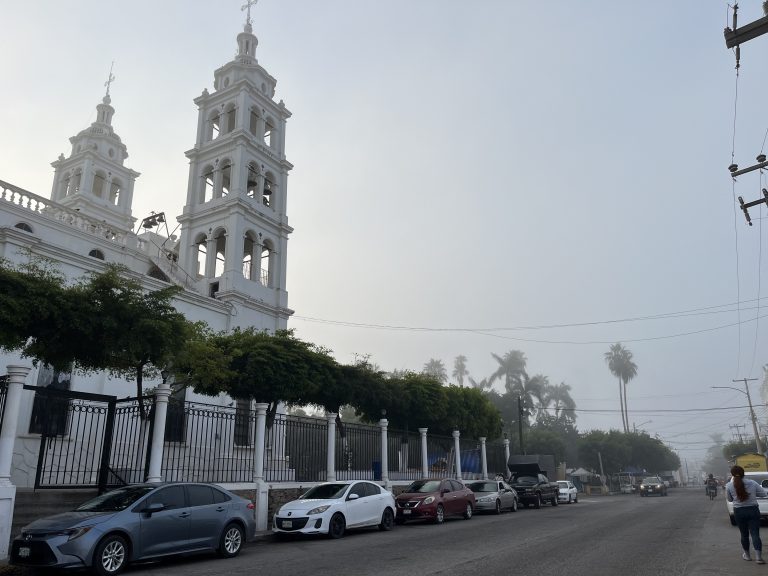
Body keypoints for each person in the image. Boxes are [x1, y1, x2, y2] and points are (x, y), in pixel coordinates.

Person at [726, 465, 767, 563]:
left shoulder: (729, 485)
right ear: (743, 473)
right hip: (753, 510)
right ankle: (758, 558)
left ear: (732, 474)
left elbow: (730, 499)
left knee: (744, 535)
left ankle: (747, 556)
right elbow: (763, 494)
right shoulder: (752, 483)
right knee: (755, 534)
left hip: (739, 511)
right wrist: (753, 494)